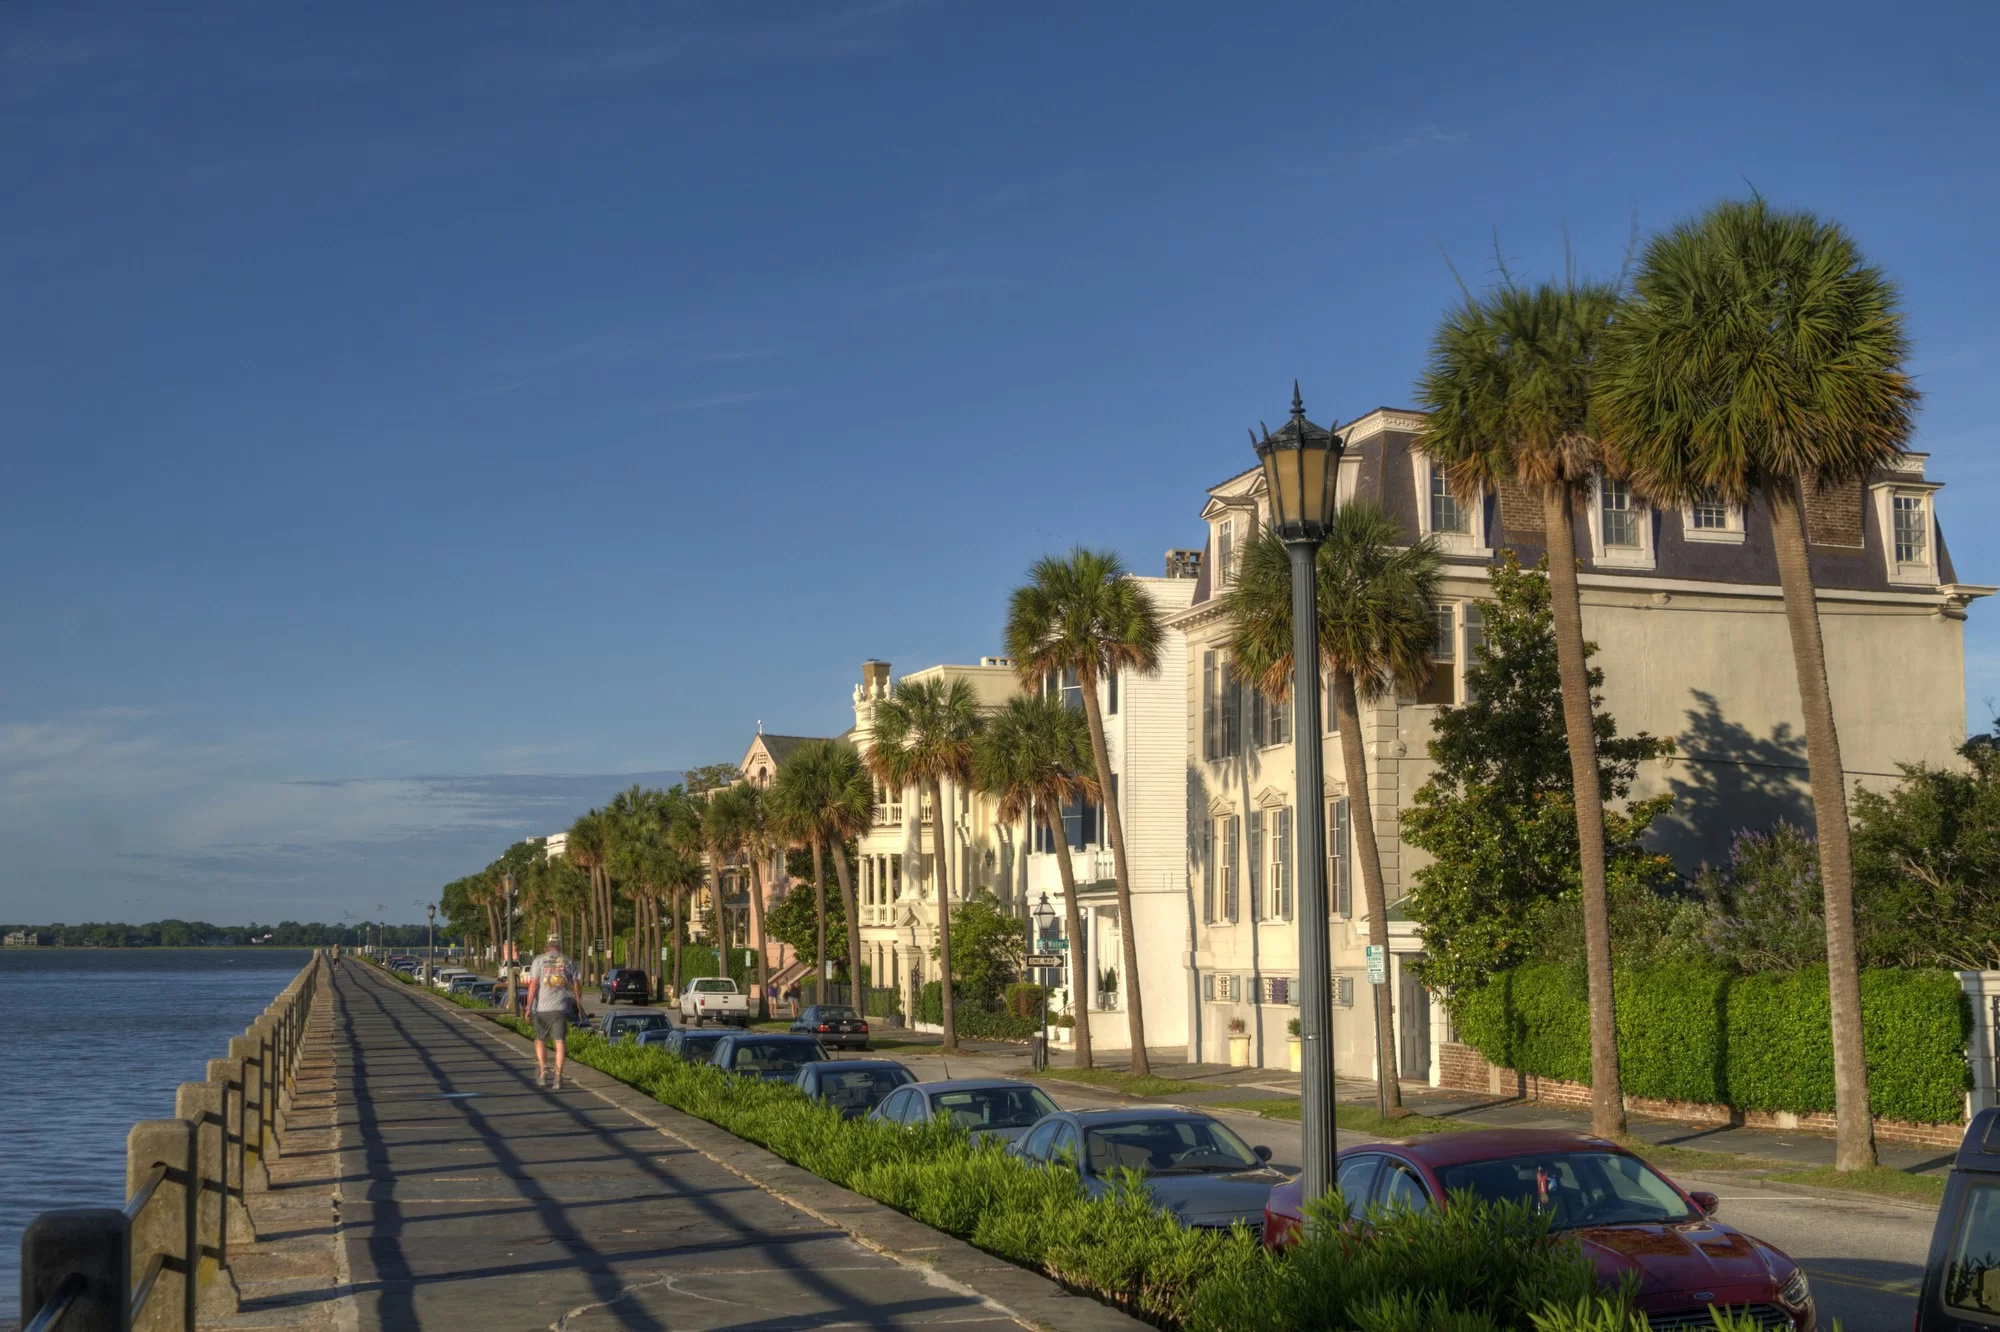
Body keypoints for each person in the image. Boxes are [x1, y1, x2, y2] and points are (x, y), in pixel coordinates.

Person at [525, 932, 579, 1090]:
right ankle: (558, 1077)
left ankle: (542, 1074)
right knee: (560, 1042)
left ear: (547, 946)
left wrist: (528, 1007)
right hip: (560, 1008)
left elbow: (534, 985)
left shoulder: (539, 961)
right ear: (559, 946)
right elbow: (576, 984)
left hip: (541, 1009)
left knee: (540, 1040)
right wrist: (577, 1001)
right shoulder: (568, 961)